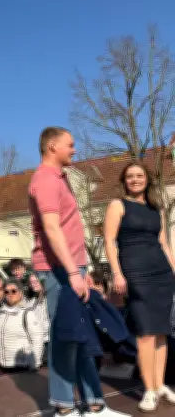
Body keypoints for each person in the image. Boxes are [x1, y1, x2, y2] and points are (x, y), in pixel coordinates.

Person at [28, 126, 128, 417]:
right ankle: (64, 407)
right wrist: (72, 271)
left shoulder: (60, 178)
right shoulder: (45, 179)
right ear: (52, 147)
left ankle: (94, 403)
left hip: (71, 267)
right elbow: (51, 228)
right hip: (58, 269)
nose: (75, 149)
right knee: (65, 336)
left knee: (82, 334)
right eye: (70, 145)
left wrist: (81, 269)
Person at [103, 162, 175, 412]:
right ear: (124, 180)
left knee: (161, 332)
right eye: (130, 176)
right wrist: (117, 273)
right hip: (135, 273)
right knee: (145, 333)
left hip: (162, 274)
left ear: (147, 179)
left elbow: (164, 242)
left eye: (139, 176)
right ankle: (149, 389)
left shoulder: (157, 209)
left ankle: (160, 383)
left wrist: (174, 271)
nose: (135, 180)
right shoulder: (117, 205)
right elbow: (110, 241)